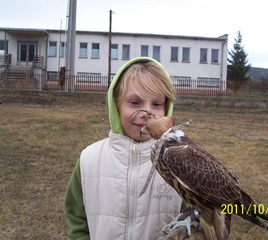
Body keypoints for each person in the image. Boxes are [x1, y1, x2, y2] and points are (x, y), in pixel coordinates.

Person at [64, 57, 184, 240]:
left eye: (157, 104)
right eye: (135, 102)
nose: (146, 113)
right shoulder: (89, 160)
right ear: (116, 106)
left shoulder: (181, 165)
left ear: (167, 109)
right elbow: (77, 221)